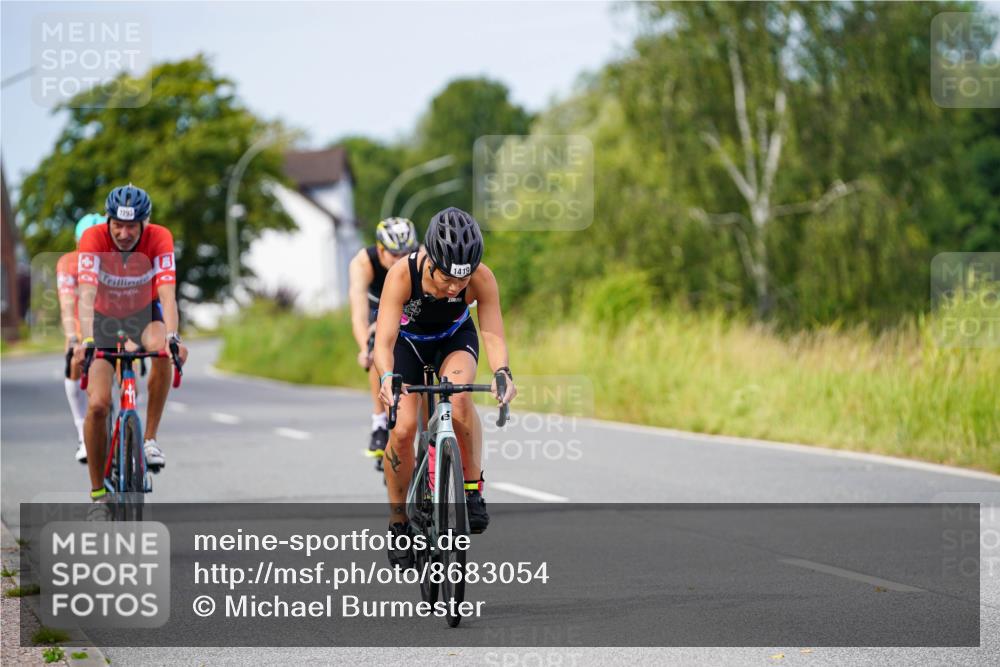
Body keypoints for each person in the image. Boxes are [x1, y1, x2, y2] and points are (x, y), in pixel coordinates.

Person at [373, 207, 516, 567]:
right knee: (404, 429)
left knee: (460, 396)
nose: (454, 286)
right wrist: (388, 378)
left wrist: (502, 372)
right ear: (429, 259)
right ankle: (398, 521)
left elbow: (492, 331)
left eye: (461, 280)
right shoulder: (402, 275)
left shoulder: (481, 278)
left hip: (453, 338)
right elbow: (384, 341)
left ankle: (471, 490)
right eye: (446, 278)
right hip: (408, 344)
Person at [73, 184, 188, 512]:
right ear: (108, 221)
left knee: (163, 348)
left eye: (132, 226)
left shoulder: (160, 238)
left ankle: (149, 440)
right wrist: (87, 341)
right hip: (103, 319)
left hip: (142, 313)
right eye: (117, 225)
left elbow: (167, 293)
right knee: (97, 405)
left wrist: (174, 336)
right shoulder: (94, 239)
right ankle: (98, 495)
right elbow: (85, 293)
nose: (123, 233)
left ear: (145, 223)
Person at [346, 217, 418, 470]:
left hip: (410, 305)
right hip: (378, 309)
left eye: (407, 253)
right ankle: (379, 422)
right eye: (395, 254)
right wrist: (365, 347)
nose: (402, 259)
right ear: (380, 250)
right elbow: (358, 314)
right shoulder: (363, 263)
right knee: (377, 346)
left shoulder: (420, 258)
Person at [56, 213, 104, 463]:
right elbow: (66, 304)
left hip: (110, 322)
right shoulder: (68, 263)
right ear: (77, 243)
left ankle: (130, 422)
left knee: (130, 361)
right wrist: (72, 337)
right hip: (79, 321)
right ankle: (81, 432)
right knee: (73, 361)